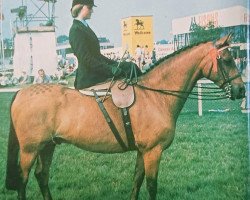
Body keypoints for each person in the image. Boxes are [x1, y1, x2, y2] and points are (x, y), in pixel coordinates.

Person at [69, 0, 141, 90]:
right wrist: (109, 69)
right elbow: (86, 59)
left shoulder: (84, 26)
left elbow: (97, 55)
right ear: (81, 7)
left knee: (130, 66)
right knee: (129, 69)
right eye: (90, 8)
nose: (92, 11)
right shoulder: (76, 30)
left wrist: (115, 64)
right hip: (89, 76)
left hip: (96, 70)